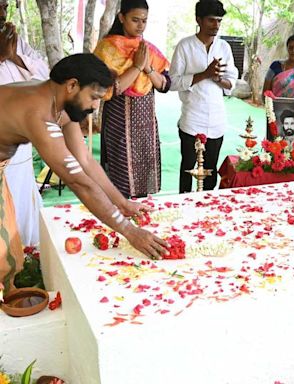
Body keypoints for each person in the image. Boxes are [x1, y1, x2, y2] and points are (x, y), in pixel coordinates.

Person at [0, 53, 168, 295]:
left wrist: (121, 203)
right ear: (72, 85)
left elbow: (85, 160)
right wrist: (130, 231)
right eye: (94, 97)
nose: (95, 106)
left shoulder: (58, 101)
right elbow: (78, 182)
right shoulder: (38, 113)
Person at [94, 0, 171, 198]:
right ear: (121, 17)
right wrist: (136, 67)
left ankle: (142, 216)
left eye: (144, 21)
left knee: (145, 177)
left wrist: (147, 68)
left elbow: (164, 85)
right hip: (119, 126)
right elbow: (109, 89)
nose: (140, 26)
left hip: (146, 126)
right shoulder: (107, 48)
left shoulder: (148, 50)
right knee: (120, 180)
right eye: (135, 20)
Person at [170, 0, 238, 193]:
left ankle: (207, 214)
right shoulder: (184, 46)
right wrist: (204, 74)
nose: (216, 25)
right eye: (211, 20)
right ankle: (183, 209)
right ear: (198, 20)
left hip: (217, 120)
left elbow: (231, 83)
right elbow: (173, 82)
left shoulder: (224, 47)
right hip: (192, 119)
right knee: (187, 170)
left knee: (210, 172)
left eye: (219, 20)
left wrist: (217, 79)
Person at [0, 0, 49, 247]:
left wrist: (13, 57)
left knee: (22, 204)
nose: (2, 12)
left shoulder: (15, 41)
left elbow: (45, 78)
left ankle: (26, 258)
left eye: (4, 5)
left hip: (21, 145)